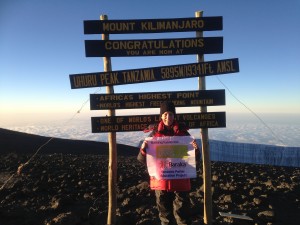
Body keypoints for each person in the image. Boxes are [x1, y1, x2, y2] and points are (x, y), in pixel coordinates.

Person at [137, 101, 200, 225]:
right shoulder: (154, 134)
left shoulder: (183, 133)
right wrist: (143, 150)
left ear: (174, 116)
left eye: (170, 114)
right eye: (165, 114)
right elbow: (142, 159)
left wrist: (196, 150)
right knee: (165, 218)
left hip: (180, 181)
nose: (168, 117)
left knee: (182, 217)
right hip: (161, 182)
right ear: (161, 116)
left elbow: (194, 159)